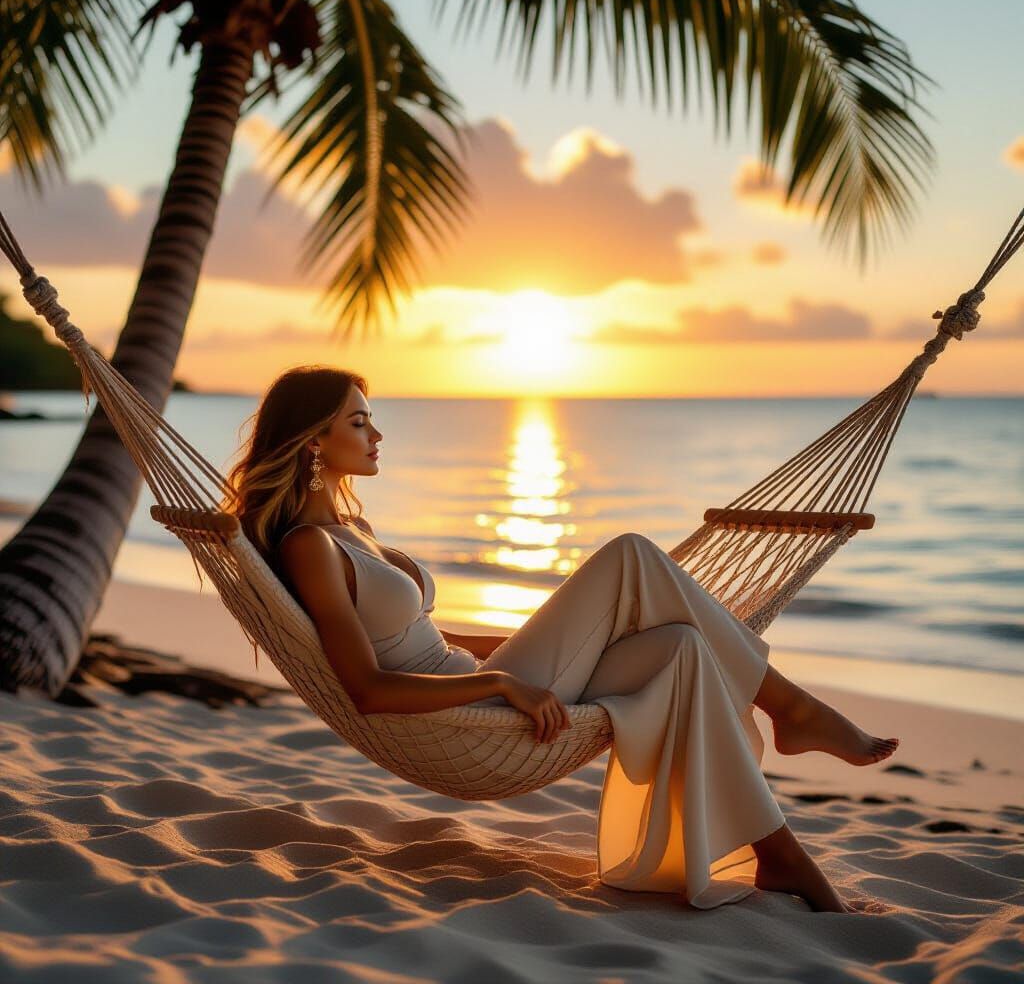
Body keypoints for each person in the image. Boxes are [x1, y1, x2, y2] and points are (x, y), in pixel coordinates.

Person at [225, 366, 899, 913]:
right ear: (314, 440)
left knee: (683, 649)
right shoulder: (312, 547)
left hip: (480, 686)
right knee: (633, 554)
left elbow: (428, 636)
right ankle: (790, 709)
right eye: (359, 420)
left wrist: (524, 644)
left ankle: (777, 854)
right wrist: (501, 681)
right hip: (469, 716)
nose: (377, 434)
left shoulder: (354, 532)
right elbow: (368, 690)